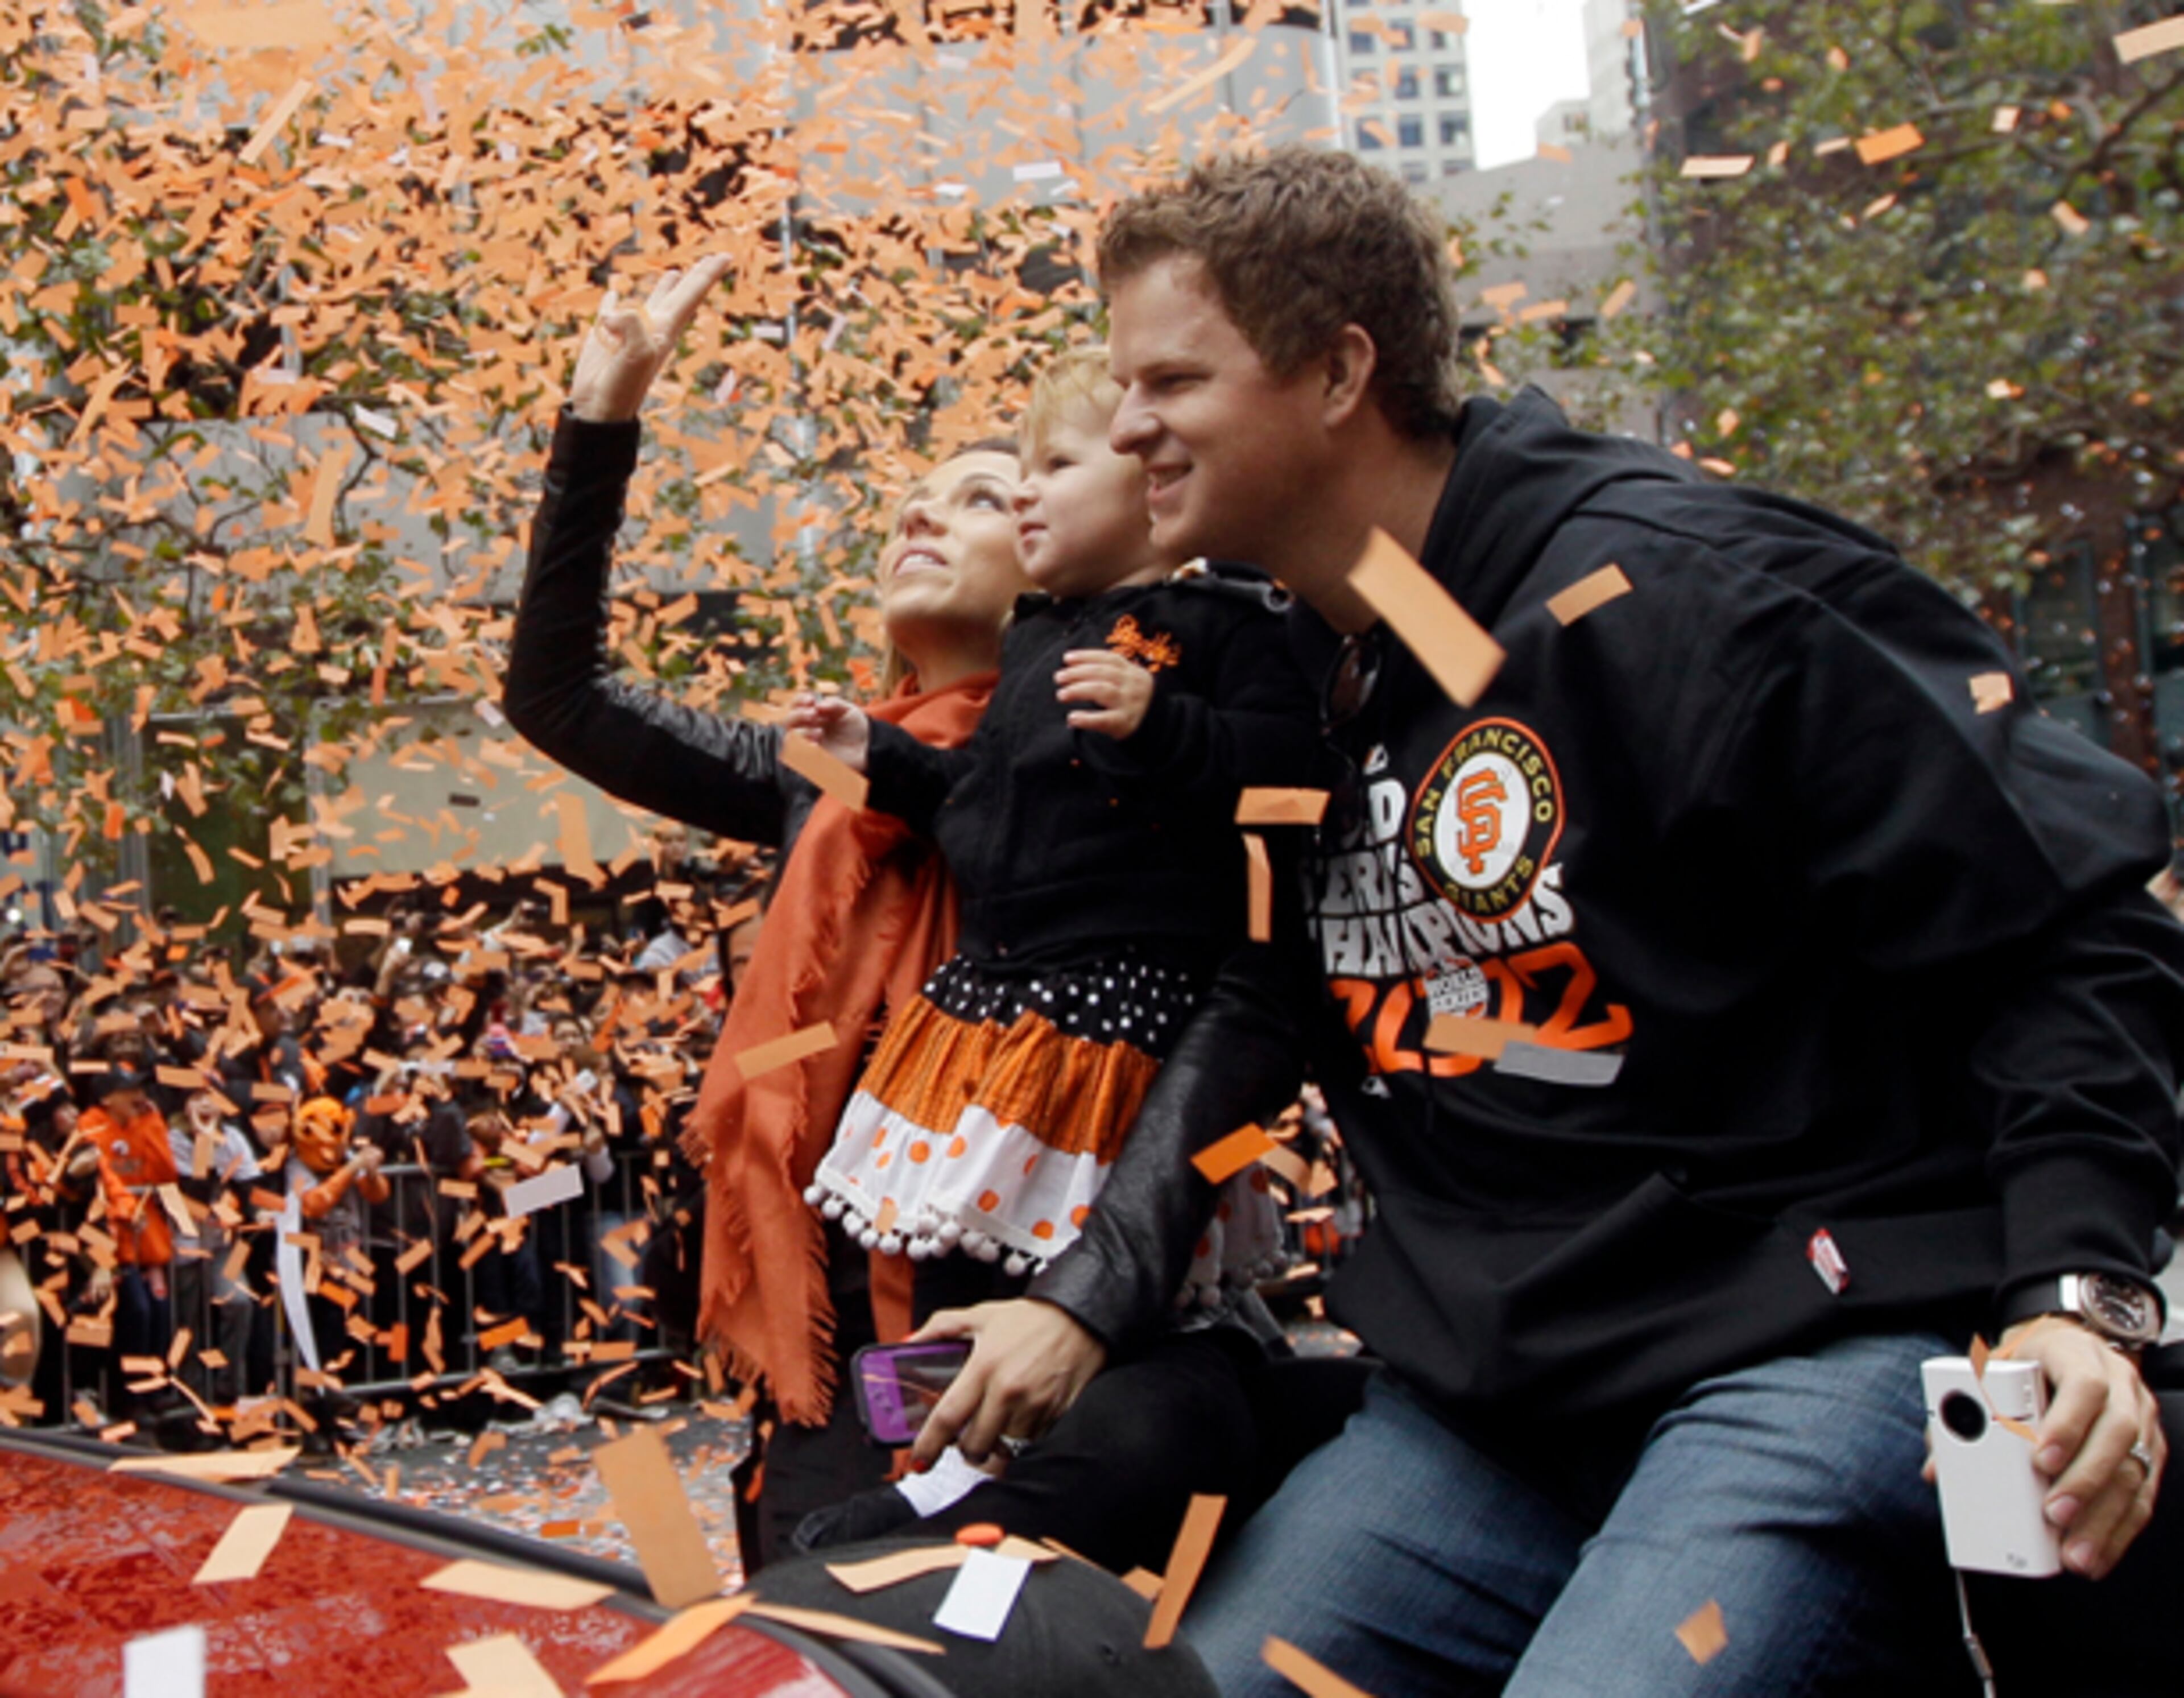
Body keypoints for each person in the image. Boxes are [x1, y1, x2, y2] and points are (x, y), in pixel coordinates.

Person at [1069, 147, 2184, 1695]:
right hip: (1486, 1415)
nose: (1126, 427)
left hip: (1807, 1352)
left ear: (1338, 370)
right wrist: (1081, 1302)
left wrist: (2079, 1295)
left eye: (1171, 379)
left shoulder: (1687, 591)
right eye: (1121, 385)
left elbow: (2071, 921)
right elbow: (1262, 1003)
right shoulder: (1304, 677)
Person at [506, 262, 1307, 1570]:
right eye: (911, 508)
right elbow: (561, 699)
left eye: (988, 494)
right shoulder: (839, 772)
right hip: (840, 1385)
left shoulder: (1152, 754)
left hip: (1063, 1359)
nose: (924, 522)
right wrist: (602, 417)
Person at [779, 346, 1320, 1556]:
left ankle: (1035, 1492)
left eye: (1052, 467)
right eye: (1013, 473)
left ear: (1149, 482)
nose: (1026, 493)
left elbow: (1289, 786)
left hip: (1123, 1028)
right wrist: (881, 754)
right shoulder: (1029, 646)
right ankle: (943, 1476)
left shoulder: (1230, 623)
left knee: (1087, 1301)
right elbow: (978, 799)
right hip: (987, 1022)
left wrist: (1166, 725)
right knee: (958, 1269)